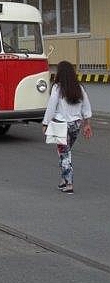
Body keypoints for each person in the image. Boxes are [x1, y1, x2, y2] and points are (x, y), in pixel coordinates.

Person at [42, 61, 93, 194]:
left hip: (61, 125)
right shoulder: (79, 88)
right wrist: (87, 123)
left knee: (64, 154)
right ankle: (63, 180)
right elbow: (86, 106)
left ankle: (69, 183)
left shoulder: (57, 88)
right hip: (75, 125)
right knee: (65, 152)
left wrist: (45, 123)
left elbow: (51, 107)